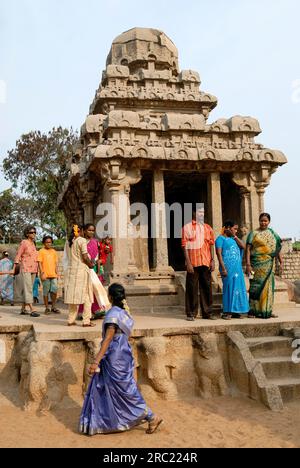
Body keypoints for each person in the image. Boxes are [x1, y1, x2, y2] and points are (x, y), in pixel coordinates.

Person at [79, 283, 163, 436]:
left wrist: (96, 360)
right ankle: (113, 419)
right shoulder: (124, 314)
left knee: (124, 390)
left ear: (110, 297)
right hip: (123, 353)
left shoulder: (113, 315)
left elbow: (108, 339)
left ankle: (151, 416)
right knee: (119, 388)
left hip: (115, 357)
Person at [181, 206, 217, 321]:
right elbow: (184, 246)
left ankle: (207, 313)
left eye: (203, 212)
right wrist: (188, 262)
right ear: (194, 213)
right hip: (193, 262)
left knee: (207, 287)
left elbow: (211, 245)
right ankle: (191, 313)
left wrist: (212, 260)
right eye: (199, 212)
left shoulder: (208, 228)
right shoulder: (187, 227)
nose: (201, 214)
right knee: (192, 288)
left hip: (205, 261)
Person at [246, 213, 283, 319]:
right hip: (255, 265)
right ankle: (253, 311)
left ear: (269, 222)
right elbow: (248, 250)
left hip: (269, 265)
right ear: (259, 221)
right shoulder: (253, 234)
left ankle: (267, 310)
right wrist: (248, 264)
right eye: (262, 220)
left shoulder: (273, 234)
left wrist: (281, 262)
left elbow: (278, 248)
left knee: (268, 288)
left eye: (265, 221)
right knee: (255, 287)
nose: (263, 222)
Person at [215, 221, 249, 320]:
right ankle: (227, 312)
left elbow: (243, 246)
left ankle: (236, 311)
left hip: (237, 269)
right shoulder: (220, 239)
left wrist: (234, 236)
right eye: (234, 229)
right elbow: (219, 254)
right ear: (228, 228)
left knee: (237, 288)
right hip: (227, 268)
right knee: (229, 289)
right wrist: (223, 268)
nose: (236, 231)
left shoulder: (234, 239)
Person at [64, 224, 96, 327]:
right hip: (81, 271)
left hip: (71, 271)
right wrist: (91, 265)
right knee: (87, 295)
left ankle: (71, 320)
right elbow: (85, 257)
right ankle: (86, 321)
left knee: (74, 296)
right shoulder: (81, 240)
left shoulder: (69, 241)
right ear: (82, 230)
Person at [78, 224, 106, 320]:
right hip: (84, 268)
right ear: (84, 231)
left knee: (95, 290)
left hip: (94, 268)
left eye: (93, 230)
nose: (91, 232)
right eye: (89, 230)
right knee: (86, 291)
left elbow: (98, 256)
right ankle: (84, 312)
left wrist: (98, 269)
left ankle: (96, 310)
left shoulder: (95, 242)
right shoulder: (80, 242)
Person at [11, 226, 40, 317]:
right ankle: (32, 309)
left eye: (35, 232)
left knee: (28, 288)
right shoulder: (24, 242)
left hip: (34, 269)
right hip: (26, 268)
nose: (34, 234)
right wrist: (14, 268)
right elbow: (18, 254)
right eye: (32, 232)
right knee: (28, 288)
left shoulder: (34, 243)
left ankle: (23, 309)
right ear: (27, 234)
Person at [38, 236, 60, 315]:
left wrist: (57, 273)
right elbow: (39, 263)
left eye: (50, 242)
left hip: (53, 275)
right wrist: (42, 273)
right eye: (47, 242)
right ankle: (47, 308)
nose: (48, 243)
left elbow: (56, 263)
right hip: (45, 275)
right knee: (46, 292)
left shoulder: (54, 251)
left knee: (54, 291)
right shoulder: (41, 251)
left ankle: (53, 307)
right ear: (44, 243)